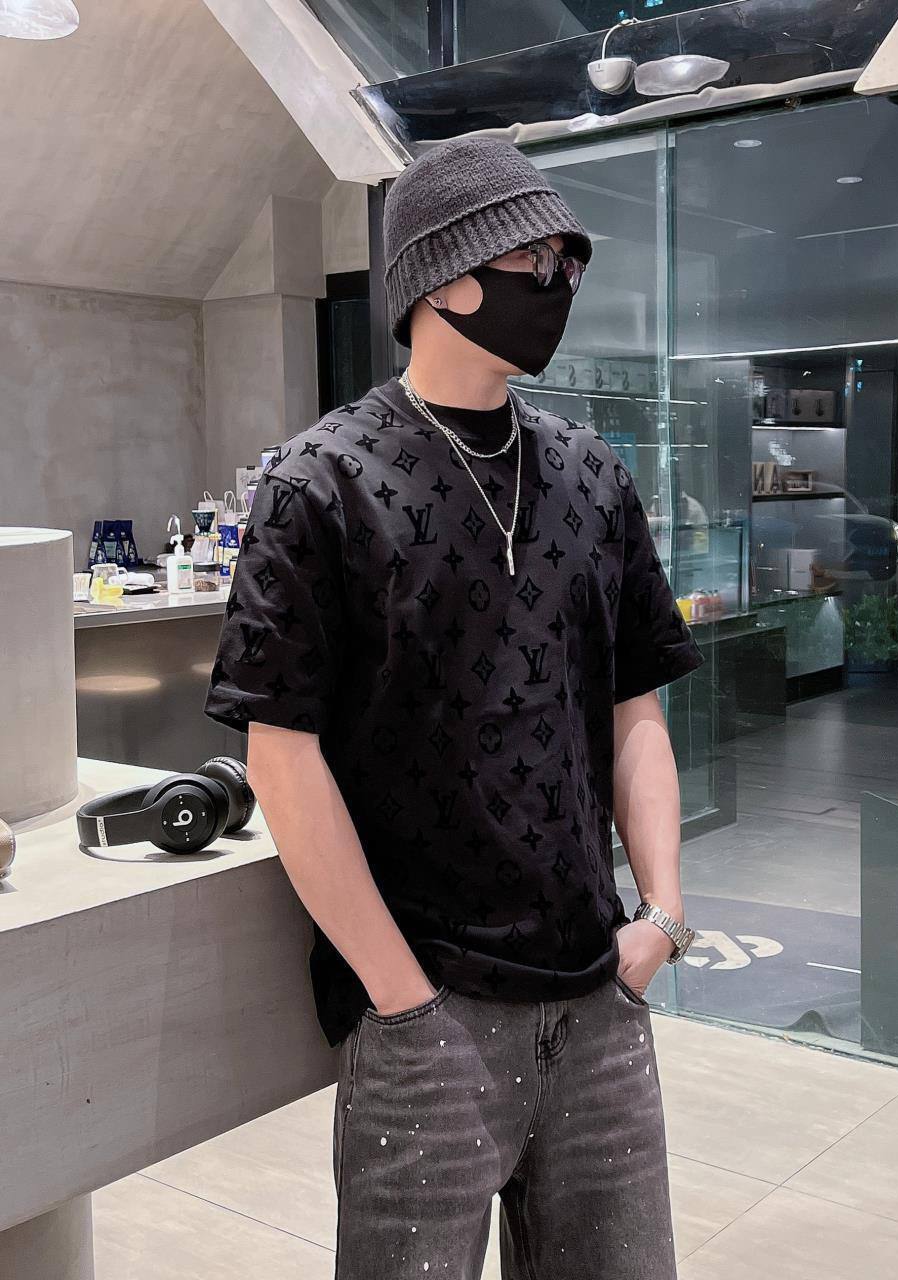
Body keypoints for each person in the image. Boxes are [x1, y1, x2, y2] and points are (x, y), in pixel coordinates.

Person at [203, 135, 704, 1280]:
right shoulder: (319, 483)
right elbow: (282, 755)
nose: (559, 284)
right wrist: (402, 998)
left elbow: (635, 707)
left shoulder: (593, 475)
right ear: (443, 274)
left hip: (600, 996)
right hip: (426, 1016)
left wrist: (663, 917)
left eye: (569, 262)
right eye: (537, 259)